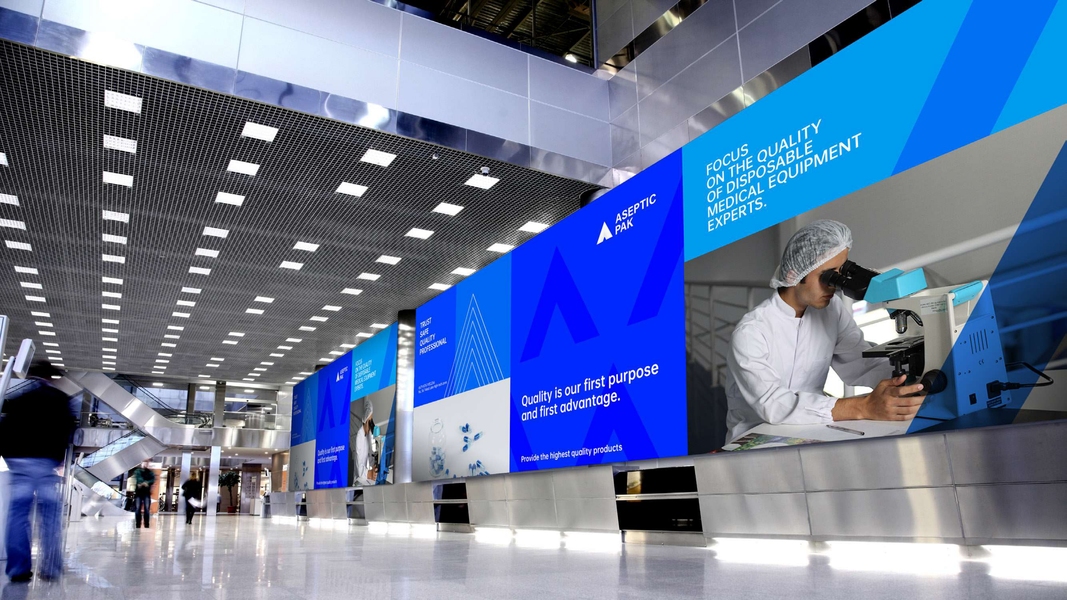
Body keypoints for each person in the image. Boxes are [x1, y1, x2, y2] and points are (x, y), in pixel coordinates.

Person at [724, 220, 925, 443]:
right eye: (828, 276)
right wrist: (863, 407)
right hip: (756, 438)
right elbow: (773, 405)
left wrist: (911, 382)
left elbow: (861, 364)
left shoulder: (831, 310)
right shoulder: (752, 332)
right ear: (794, 275)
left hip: (812, 428)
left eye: (841, 273)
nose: (834, 285)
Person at [0, 362, 77, 583]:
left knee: (17, 515)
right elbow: (68, 430)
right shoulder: (60, 400)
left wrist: (10, 457)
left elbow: (3, 430)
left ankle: (18, 569)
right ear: (51, 378)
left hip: (19, 464)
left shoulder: (18, 400)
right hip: (45, 463)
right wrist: (59, 457)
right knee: (50, 516)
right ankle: (51, 569)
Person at [352, 402, 375, 484]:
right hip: (359, 477)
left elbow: (371, 454)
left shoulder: (368, 434)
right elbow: (359, 465)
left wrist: (374, 467)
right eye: (370, 421)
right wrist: (369, 474)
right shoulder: (360, 436)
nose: (372, 423)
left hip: (364, 476)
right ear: (366, 420)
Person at [131, 459, 156, 529]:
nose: (146, 464)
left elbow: (152, 480)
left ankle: (146, 524)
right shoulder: (138, 471)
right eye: (145, 462)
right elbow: (139, 478)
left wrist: (146, 483)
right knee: (137, 508)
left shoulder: (151, 472)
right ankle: (138, 524)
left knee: (147, 509)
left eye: (148, 463)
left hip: (146, 493)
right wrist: (145, 483)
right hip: (138, 493)